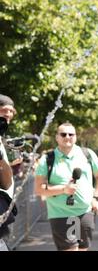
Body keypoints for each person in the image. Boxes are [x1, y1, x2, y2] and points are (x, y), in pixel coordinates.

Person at [34, 123, 98, 251]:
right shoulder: (47, 159)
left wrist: (97, 197)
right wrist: (63, 189)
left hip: (85, 211)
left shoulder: (87, 154)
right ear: (57, 137)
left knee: (83, 249)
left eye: (71, 134)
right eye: (63, 134)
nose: (67, 137)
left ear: (75, 137)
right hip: (60, 213)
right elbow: (39, 189)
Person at [0, 94, 17, 251]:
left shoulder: (2, 137)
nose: (9, 114)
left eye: (12, 111)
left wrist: (13, 164)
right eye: (5, 110)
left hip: (4, 208)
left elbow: (6, 181)